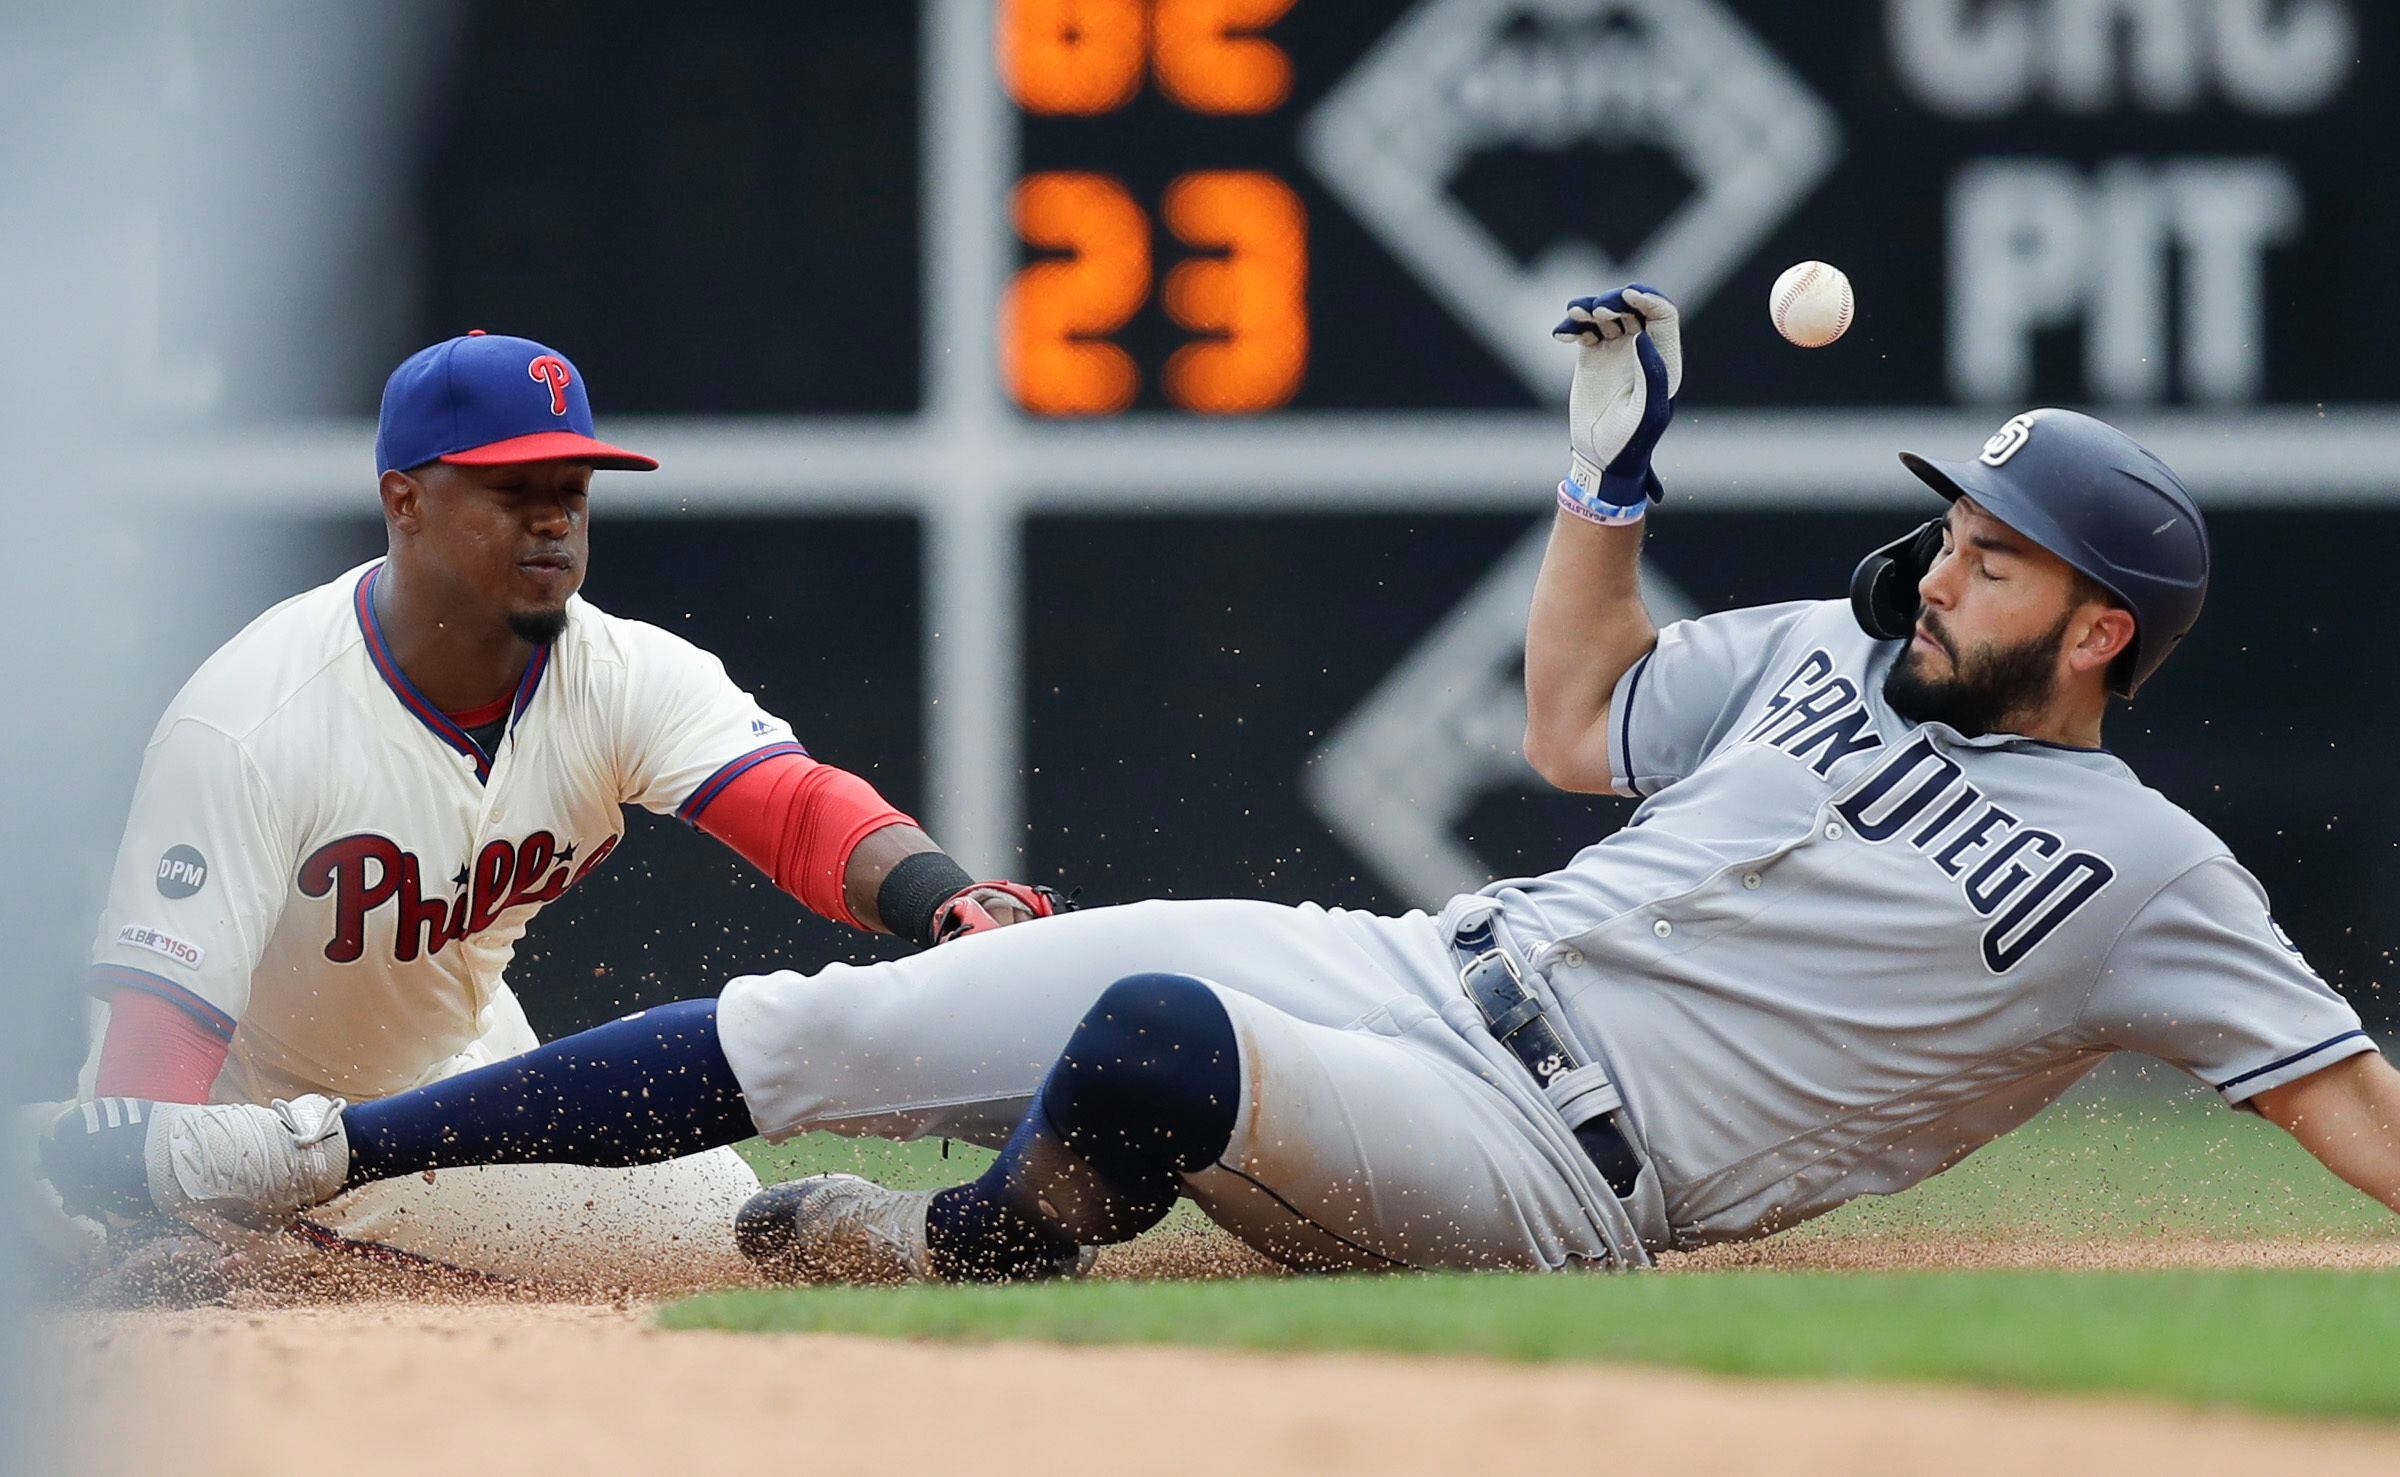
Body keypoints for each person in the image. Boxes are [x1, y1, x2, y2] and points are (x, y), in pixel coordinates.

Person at [46, 290, 2399, 1281]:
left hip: (1554, 1170)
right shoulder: (1819, 660)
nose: (1946, 563)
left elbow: (2349, 1117)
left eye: (1998, 558)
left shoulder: (2135, 875)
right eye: (1958, 525)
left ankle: (957, 1257)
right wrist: (1604, 481)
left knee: (1154, 1055)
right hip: (1415, 967)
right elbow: (1568, 731)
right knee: (831, 1029)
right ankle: (302, 1149)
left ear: (2097, 627)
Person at [34, 331, 1057, 1289]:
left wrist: (942, 897)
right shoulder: (253, 720)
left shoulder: (614, 672)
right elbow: (162, 1018)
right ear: (405, 501)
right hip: (251, 1119)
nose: (553, 516)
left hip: (462, 1059)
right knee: (710, 1232)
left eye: (570, 487)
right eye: (510, 488)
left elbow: (793, 806)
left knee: (712, 1206)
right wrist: (155, 1215)